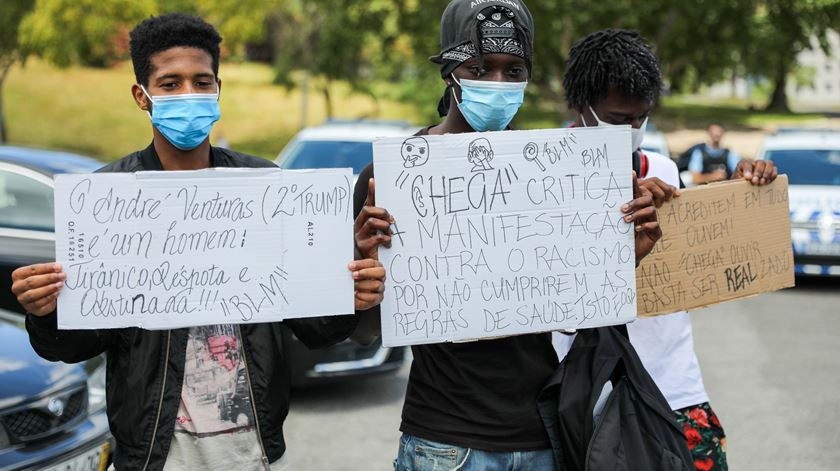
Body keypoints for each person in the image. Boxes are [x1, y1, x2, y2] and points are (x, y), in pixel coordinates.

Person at [11, 14, 385, 471]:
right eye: (170, 84)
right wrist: (45, 312)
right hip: (155, 455)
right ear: (141, 97)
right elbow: (72, 346)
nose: (188, 95)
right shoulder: (104, 202)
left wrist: (354, 295)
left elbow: (314, 327)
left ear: (218, 90)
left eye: (201, 81)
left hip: (253, 452)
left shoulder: (268, 187)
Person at [351, 3, 662, 470]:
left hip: (542, 438)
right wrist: (363, 287)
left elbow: (574, 316)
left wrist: (622, 260)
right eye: (479, 68)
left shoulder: (558, 173)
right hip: (445, 441)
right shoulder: (391, 179)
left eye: (512, 69)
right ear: (449, 70)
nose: (496, 84)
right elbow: (363, 334)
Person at [555, 28, 777, 471]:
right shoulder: (540, 175)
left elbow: (694, 265)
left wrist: (743, 193)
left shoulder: (663, 170)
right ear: (581, 107)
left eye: (642, 118)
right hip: (581, 397)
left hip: (674, 388)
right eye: (620, 119)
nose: (633, 130)